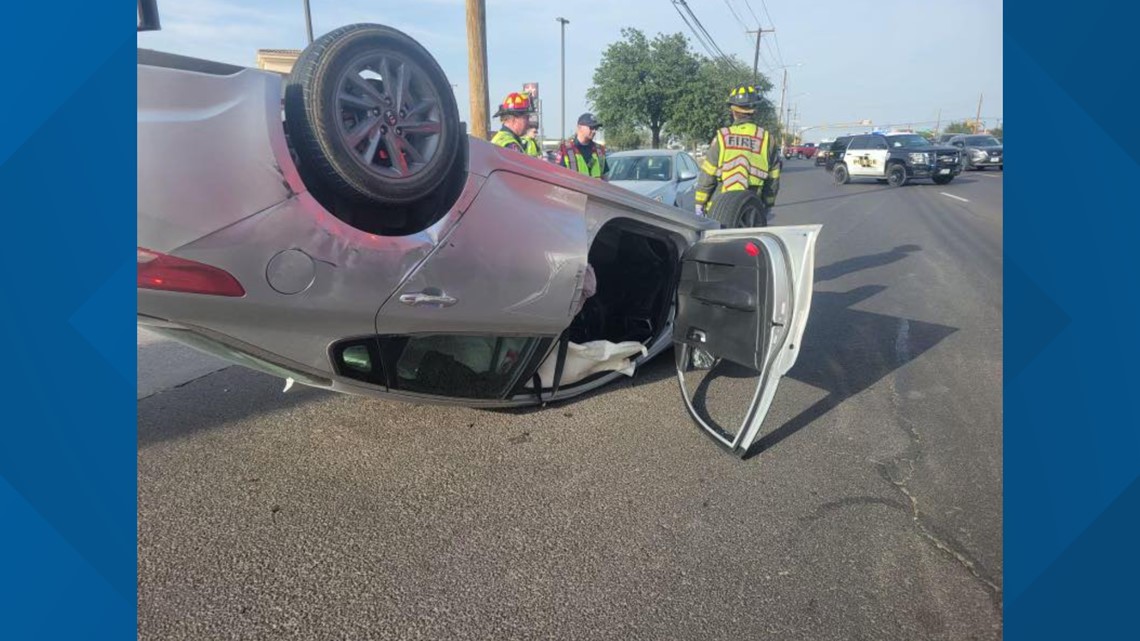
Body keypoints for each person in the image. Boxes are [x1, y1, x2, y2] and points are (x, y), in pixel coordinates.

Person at [694, 85, 782, 225]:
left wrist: (699, 203)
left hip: (719, 212)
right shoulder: (767, 140)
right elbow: (773, 180)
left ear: (733, 110)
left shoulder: (722, 137)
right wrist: (767, 205)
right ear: (755, 111)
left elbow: (707, 175)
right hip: (751, 213)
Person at [557, 113, 607, 177]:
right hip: (574, 187)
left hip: (595, 187)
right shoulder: (566, 150)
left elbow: (605, 177)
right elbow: (559, 177)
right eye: (591, 127)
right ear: (579, 127)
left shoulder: (599, 150)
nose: (594, 131)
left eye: (596, 128)